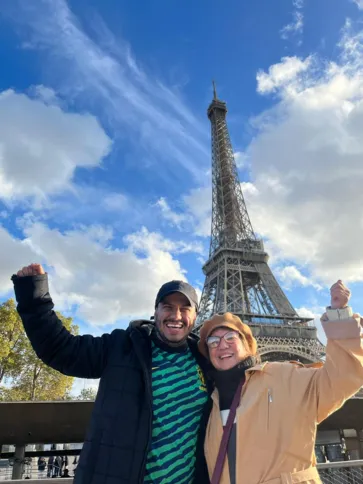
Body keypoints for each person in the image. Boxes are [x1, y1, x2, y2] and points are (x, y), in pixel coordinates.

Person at [12, 263, 211, 484]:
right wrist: (34, 299)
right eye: (167, 306)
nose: (176, 315)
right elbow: (62, 350)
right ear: (155, 312)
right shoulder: (121, 347)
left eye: (185, 308)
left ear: (195, 316)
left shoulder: (206, 359)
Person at [196, 280, 363, 484]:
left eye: (231, 337)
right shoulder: (210, 402)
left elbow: (342, 378)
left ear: (248, 345)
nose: (222, 345)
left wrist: (340, 317)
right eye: (213, 342)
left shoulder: (285, 376)